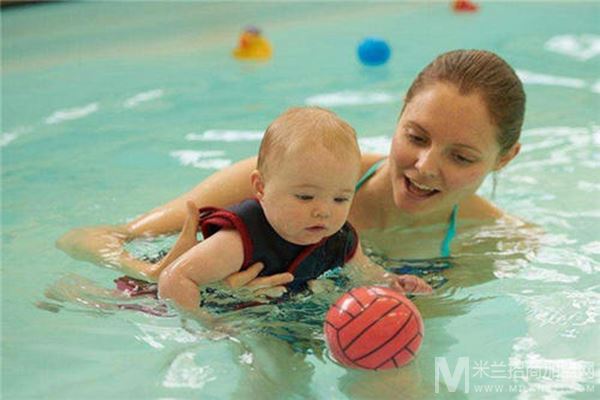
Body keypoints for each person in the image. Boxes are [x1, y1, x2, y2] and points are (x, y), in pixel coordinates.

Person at [56, 49, 527, 294]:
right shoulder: (275, 182)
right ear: (398, 116)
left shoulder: (492, 241)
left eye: (461, 157)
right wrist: (152, 270)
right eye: (416, 137)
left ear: (504, 158)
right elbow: (85, 238)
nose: (424, 167)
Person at [155, 107, 431, 314]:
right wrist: (204, 323)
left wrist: (395, 283)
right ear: (260, 187)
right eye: (305, 196)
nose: (323, 211)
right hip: (161, 303)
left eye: (340, 199)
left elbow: (366, 272)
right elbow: (174, 278)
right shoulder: (240, 240)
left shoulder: (339, 238)